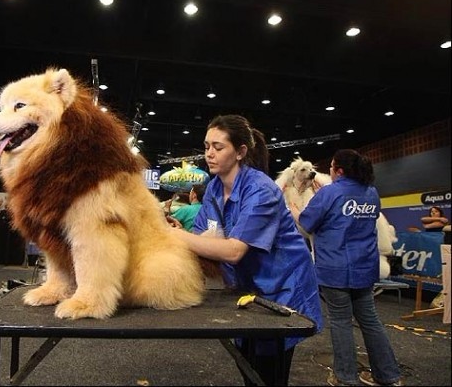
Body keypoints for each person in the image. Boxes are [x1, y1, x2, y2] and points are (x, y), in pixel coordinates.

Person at [171, 114, 323, 385]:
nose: (209, 154)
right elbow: (203, 239)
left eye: (218, 147)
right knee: (249, 366)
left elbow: (233, 251)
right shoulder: (214, 189)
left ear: (240, 152)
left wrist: (173, 238)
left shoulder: (261, 190)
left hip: (282, 291)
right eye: (206, 146)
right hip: (246, 290)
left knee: (267, 372)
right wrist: (180, 235)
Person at [290, 149, 403, 386]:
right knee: (370, 320)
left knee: (341, 322)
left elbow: (308, 223)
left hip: (335, 268)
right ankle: (388, 375)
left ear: (338, 170)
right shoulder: (371, 193)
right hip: (365, 268)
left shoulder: (330, 192)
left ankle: (345, 377)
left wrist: (294, 210)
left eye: (331, 166)